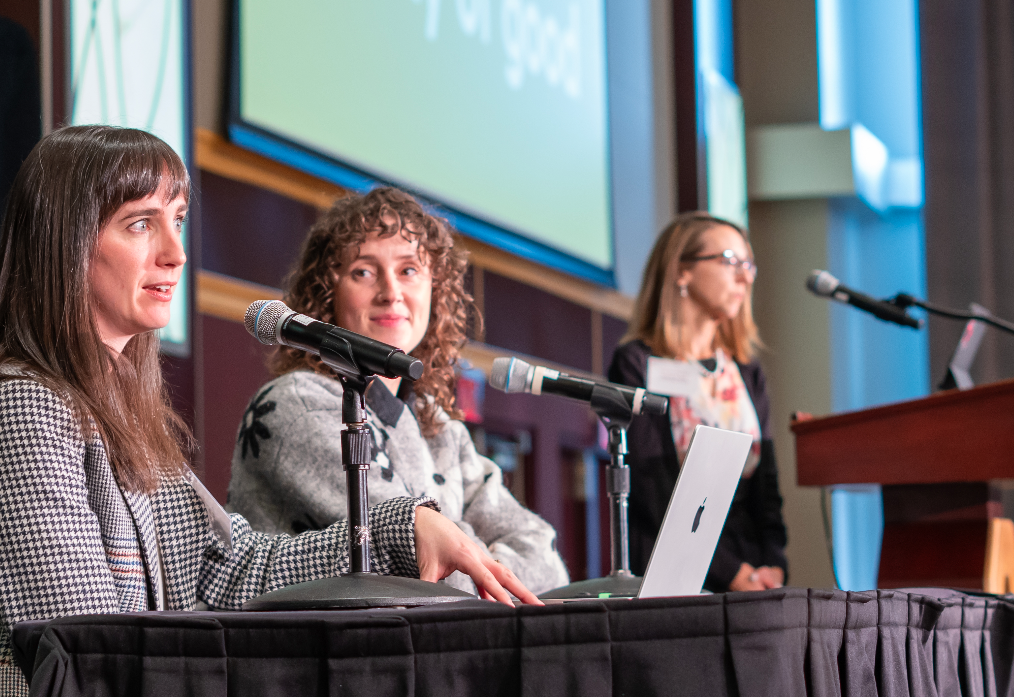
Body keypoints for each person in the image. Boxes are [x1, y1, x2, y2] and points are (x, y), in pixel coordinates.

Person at [0, 127, 538, 697]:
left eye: (179, 221)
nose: (174, 251)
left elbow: (229, 568)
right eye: (141, 224)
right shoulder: (20, 408)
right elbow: (91, 652)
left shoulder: (116, 409)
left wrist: (401, 530)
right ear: (63, 247)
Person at [228, 187, 570, 595]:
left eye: (408, 270)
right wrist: (489, 558)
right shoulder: (296, 406)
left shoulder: (437, 424)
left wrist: (478, 560)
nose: (391, 292)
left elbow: (547, 562)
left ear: (435, 289)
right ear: (326, 294)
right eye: (364, 272)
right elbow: (430, 564)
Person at [608, 211, 788, 593]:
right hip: (678, 569)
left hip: (755, 570)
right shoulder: (637, 364)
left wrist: (774, 561)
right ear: (682, 270)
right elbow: (650, 485)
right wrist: (729, 572)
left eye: (748, 264)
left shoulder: (745, 370)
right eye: (729, 261)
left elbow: (766, 483)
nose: (745, 276)